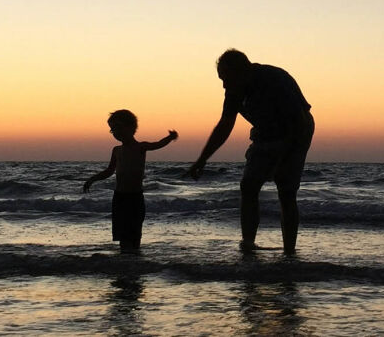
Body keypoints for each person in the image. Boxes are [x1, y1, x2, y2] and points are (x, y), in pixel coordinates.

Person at [187, 49, 314, 254]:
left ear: (243, 71)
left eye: (226, 79)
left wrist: (283, 159)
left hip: (296, 129)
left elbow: (297, 123)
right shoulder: (234, 91)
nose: (224, 85)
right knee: (248, 186)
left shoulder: (274, 79)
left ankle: (289, 251)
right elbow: (225, 125)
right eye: (221, 79)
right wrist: (202, 159)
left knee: (286, 191)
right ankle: (248, 243)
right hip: (264, 132)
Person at [82, 109, 177, 254]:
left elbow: (157, 144)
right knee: (122, 234)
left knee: (135, 232)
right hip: (119, 197)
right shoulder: (116, 150)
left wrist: (170, 138)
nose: (115, 132)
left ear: (131, 127)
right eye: (112, 130)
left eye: (118, 127)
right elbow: (109, 171)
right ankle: (125, 264)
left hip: (135, 197)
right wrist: (92, 179)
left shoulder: (140, 147)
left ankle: (134, 263)